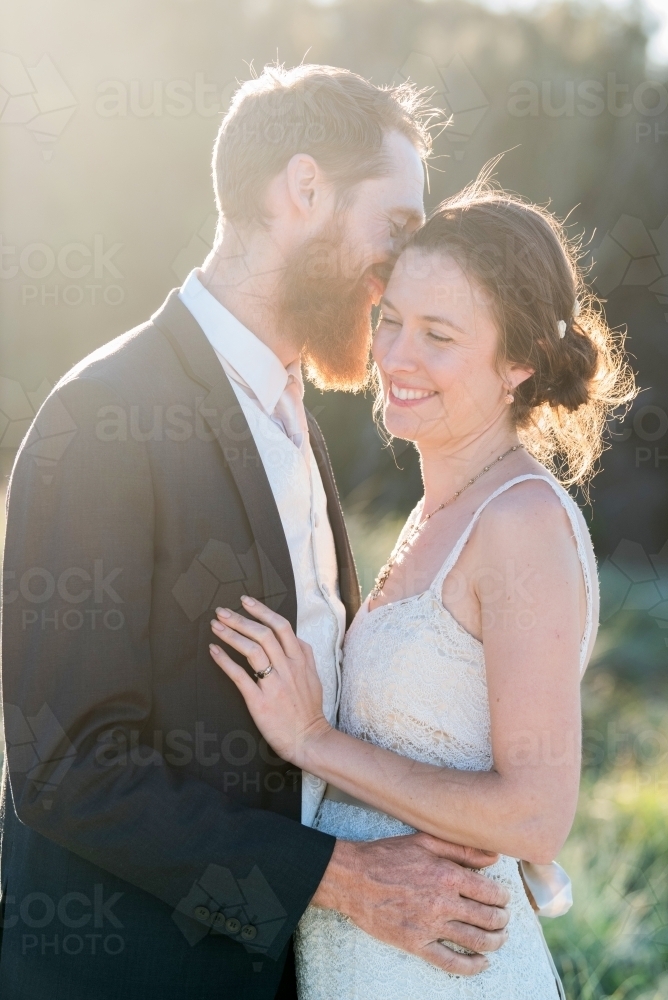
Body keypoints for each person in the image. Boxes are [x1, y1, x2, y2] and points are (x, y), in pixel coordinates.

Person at [0, 66, 511, 1000]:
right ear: (303, 190)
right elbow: (69, 767)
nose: (403, 271)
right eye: (396, 229)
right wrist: (348, 882)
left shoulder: (295, 415)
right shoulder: (101, 416)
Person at [207, 180, 636, 998]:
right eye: (393, 319)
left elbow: (536, 815)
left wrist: (313, 741)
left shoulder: (521, 525)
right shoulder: (440, 508)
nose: (395, 356)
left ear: (518, 363)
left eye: (438, 335)